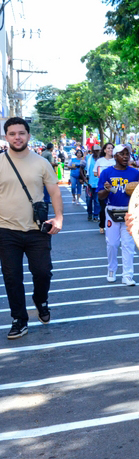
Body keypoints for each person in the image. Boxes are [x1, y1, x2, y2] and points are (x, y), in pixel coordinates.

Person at [0, 117, 63, 339]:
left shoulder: (41, 162)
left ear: (28, 135)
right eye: (12, 133)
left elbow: (54, 192)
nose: (17, 137)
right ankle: (19, 319)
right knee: (12, 277)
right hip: (6, 231)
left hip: (38, 229)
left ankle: (40, 299)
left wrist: (59, 217)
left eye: (21, 133)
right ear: (6, 137)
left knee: (43, 272)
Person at [98, 145, 139, 286]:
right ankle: (111, 269)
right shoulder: (106, 173)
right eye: (122, 154)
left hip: (129, 212)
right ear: (115, 156)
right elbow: (100, 196)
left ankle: (127, 275)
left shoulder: (135, 173)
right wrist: (107, 189)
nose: (126, 156)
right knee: (112, 244)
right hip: (112, 211)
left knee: (128, 245)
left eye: (127, 154)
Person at [94, 143, 116, 234]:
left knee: (114, 207)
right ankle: (102, 225)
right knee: (103, 208)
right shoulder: (100, 161)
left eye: (112, 148)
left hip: (114, 186)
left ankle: (113, 225)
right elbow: (95, 173)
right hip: (103, 187)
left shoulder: (116, 160)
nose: (110, 150)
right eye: (108, 148)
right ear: (105, 150)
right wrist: (103, 175)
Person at [85, 144, 101, 222]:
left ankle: (96, 215)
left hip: (99, 183)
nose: (97, 152)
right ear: (93, 151)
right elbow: (83, 169)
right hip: (89, 183)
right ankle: (89, 214)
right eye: (95, 150)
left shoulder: (102, 159)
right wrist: (84, 179)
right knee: (89, 200)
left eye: (98, 150)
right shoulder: (88, 158)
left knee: (97, 200)